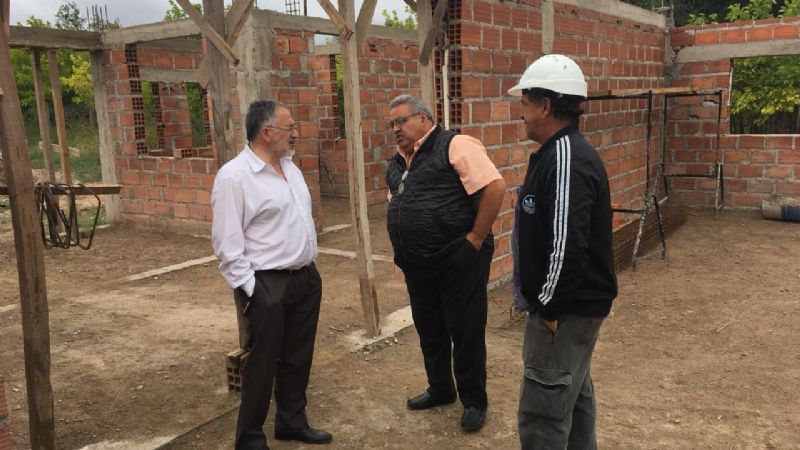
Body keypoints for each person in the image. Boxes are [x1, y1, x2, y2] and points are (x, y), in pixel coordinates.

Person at [508, 54, 618, 449]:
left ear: (545, 105)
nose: (520, 113)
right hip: (572, 307)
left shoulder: (567, 157)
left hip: (565, 310)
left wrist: (550, 310)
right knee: (573, 396)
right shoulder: (556, 154)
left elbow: (568, 244)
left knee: (543, 412)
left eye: (524, 103)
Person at [211, 100, 332, 450]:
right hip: (268, 283)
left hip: (304, 279)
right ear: (266, 132)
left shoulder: (289, 167)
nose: (295, 133)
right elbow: (226, 243)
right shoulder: (234, 177)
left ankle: (292, 422)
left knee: (298, 355)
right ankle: (249, 437)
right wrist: (254, 289)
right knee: (263, 362)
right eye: (289, 127)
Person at [385, 95, 506, 432]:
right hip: (418, 264)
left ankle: (473, 401)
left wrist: (475, 239)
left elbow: (495, 187)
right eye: (392, 124)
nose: (395, 128)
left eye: (401, 121)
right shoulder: (398, 162)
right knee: (429, 327)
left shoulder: (455, 144)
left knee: (465, 330)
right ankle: (440, 388)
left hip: (458, 257)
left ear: (423, 118)